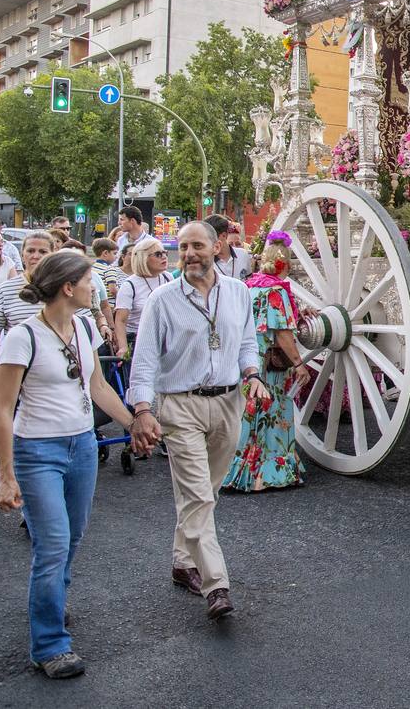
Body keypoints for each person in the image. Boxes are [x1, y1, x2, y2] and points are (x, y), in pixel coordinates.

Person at [0, 252, 161, 678]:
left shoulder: (84, 327)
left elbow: (97, 386)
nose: (95, 287)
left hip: (83, 447)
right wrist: (6, 475)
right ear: (68, 287)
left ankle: (50, 603)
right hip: (38, 452)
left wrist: (134, 423)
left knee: (71, 538)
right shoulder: (22, 337)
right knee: (52, 544)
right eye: (89, 281)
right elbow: (2, 409)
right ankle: (49, 644)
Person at [127, 221, 267, 619]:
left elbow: (246, 343)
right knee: (198, 496)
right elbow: (144, 362)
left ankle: (182, 561)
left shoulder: (238, 292)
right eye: (183, 247)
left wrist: (252, 374)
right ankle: (215, 584)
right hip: (180, 405)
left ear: (217, 246)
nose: (188, 254)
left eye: (197, 246)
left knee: (205, 492)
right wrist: (142, 410)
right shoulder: (163, 300)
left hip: (228, 402)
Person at [223, 232, 310, 492]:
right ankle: (267, 471)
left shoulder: (250, 285)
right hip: (269, 364)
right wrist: (298, 363)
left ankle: (239, 467)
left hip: (246, 359)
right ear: (285, 264)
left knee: (248, 411)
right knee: (272, 412)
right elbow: (282, 331)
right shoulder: (276, 291)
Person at [0, 231, 55, 354]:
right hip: (17, 361)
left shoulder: (64, 288)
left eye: (43, 252)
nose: (36, 256)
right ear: (22, 255)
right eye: (30, 251)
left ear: (53, 255)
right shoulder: (5, 290)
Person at [113, 239, 172, 357]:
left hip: (165, 338)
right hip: (137, 340)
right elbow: (120, 321)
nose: (164, 257)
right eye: (158, 254)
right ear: (143, 258)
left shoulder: (167, 278)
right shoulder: (130, 285)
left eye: (165, 253)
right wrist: (123, 348)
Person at [204, 214, 254, 282]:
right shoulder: (205, 261)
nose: (207, 242)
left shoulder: (243, 254)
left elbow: (249, 281)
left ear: (224, 235)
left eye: (210, 238)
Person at [91, 238, 123, 304]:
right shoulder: (109, 269)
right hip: (109, 304)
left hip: (96, 301)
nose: (116, 257)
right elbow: (113, 290)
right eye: (114, 253)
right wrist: (122, 299)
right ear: (105, 253)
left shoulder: (92, 267)